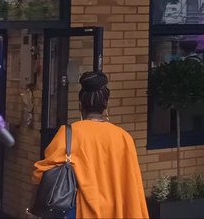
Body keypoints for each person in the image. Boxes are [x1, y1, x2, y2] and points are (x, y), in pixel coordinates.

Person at [33, 71, 148, 218]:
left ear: (80, 105)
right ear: (106, 105)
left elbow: (40, 175)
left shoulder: (68, 134)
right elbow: (132, 185)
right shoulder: (124, 137)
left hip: (81, 212)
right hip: (116, 212)